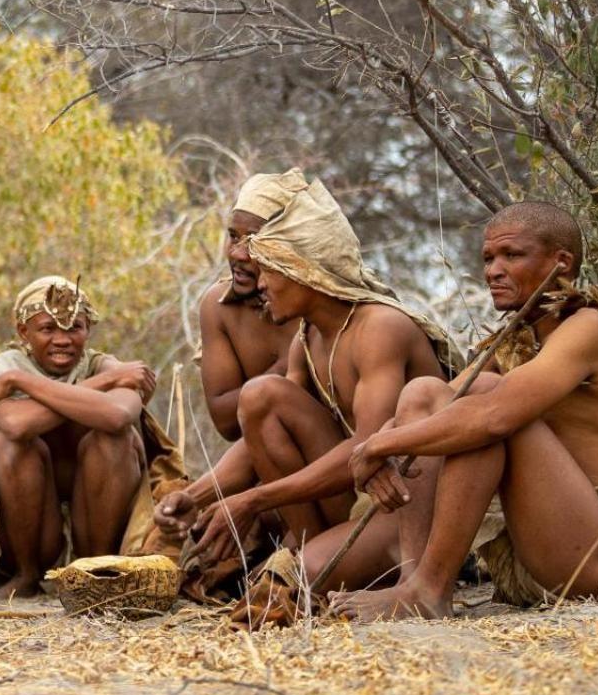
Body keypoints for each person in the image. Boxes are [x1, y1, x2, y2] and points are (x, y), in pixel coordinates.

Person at [331, 201, 598, 622]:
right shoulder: (516, 341)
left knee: (487, 403)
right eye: (488, 258)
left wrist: (378, 445)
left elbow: (494, 416)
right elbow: (429, 408)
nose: (493, 270)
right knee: (424, 391)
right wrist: (378, 449)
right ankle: (415, 581)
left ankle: (430, 589)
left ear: (561, 262)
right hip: (533, 561)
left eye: (511, 256)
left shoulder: (591, 329)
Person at [184, 179, 454, 595]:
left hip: (407, 504)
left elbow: (369, 447)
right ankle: (314, 551)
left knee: (293, 580)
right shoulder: (308, 337)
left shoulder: (379, 328)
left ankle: (349, 566)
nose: (258, 284)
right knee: (262, 396)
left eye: (269, 271)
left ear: (303, 270)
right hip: (361, 494)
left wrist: (253, 500)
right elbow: (264, 428)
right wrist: (204, 495)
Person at [0, 276, 184, 598]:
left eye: (74, 328)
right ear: (23, 332)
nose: (62, 340)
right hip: (34, 532)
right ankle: (27, 575)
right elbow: (16, 425)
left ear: (88, 330)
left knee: (113, 440)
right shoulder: (9, 365)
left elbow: (118, 415)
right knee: (10, 445)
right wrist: (21, 379)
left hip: (94, 526)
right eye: (48, 329)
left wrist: (24, 386)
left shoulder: (103, 365)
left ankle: (93, 572)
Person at [152, 171, 306, 547]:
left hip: (335, 481)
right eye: (233, 236)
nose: (237, 254)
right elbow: (228, 419)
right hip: (260, 465)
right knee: (203, 556)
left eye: (254, 241)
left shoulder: (324, 308)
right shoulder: (219, 306)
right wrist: (196, 498)